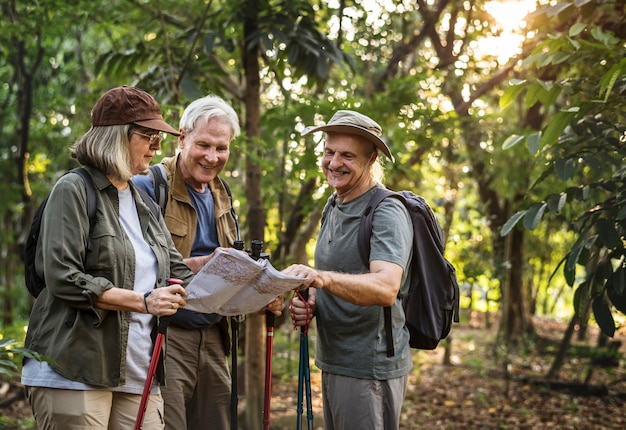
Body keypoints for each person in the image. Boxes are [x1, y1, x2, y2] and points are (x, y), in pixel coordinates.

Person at [21, 85, 194, 430]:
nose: (157, 146)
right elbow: (63, 277)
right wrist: (143, 301)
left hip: (139, 372)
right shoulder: (73, 189)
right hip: (74, 370)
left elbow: (177, 272)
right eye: (148, 135)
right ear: (118, 137)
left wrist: (254, 289)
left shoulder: (143, 203)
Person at [133, 94, 283, 430]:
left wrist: (264, 294)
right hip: (168, 335)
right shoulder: (148, 186)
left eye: (222, 147)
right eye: (203, 145)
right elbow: (131, 270)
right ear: (182, 138)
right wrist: (199, 265)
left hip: (215, 334)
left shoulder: (223, 194)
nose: (212, 157)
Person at [284, 110, 414, 429]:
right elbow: (339, 275)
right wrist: (314, 299)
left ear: (371, 160)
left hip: (368, 367)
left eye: (347, 155)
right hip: (334, 360)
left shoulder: (386, 211)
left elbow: (386, 288)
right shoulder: (335, 203)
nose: (334, 162)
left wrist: (322, 279)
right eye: (329, 152)